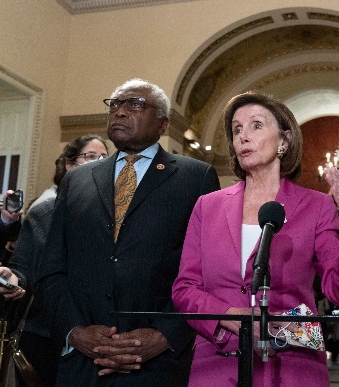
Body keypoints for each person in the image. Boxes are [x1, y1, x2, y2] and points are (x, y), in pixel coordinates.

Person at [172, 91, 339, 387]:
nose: (243, 137)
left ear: (284, 141)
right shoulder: (207, 206)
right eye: (237, 129)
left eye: (256, 126)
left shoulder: (317, 206)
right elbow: (185, 289)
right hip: (216, 365)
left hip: (292, 368)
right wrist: (231, 316)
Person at [34, 78, 220, 387]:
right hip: (82, 364)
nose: (119, 112)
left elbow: (208, 270)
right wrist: (74, 332)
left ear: (163, 123)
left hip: (157, 366)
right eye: (115, 104)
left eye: (134, 104)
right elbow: (52, 268)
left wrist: (164, 336)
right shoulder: (77, 180)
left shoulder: (195, 177)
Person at [0, 134, 109, 386]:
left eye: (104, 158)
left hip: (94, 336)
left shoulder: (111, 213)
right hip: (44, 335)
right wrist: (13, 279)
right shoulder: (46, 211)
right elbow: (24, 268)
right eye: (91, 156)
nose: (99, 162)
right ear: (70, 166)